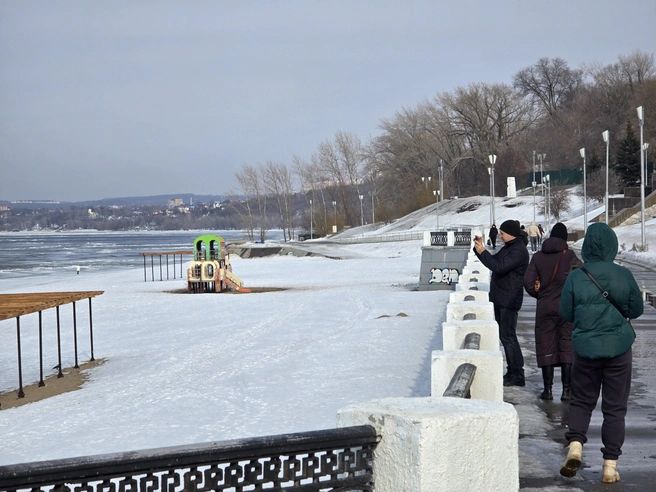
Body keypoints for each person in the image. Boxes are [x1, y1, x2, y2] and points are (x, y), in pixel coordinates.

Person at [558, 222, 643, 483]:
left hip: (585, 350)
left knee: (582, 401)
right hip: (618, 351)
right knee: (615, 409)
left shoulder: (576, 276)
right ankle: (609, 465)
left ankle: (575, 446)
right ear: (612, 246)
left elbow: (566, 313)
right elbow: (636, 309)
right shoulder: (624, 274)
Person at [523, 223, 581, 401]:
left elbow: (528, 281)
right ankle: (567, 391)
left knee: (546, 345)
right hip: (567, 308)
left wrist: (540, 295)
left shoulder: (538, 257)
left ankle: (547, 390)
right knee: (566, 346)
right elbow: (581, 280)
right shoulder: (570, 256)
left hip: (545, 307)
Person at [473, 219, 529, 386]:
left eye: (502, 233)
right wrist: (479, 250)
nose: (500, 235)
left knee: (508, 336)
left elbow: (499, 267)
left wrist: (483, 250)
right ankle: (512, 371)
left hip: (509, 298)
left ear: (511, 234)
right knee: (505, 337)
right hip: (501, 297)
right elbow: (493, 262)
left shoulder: (518, 251)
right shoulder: (509, 248)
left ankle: (517, 373)